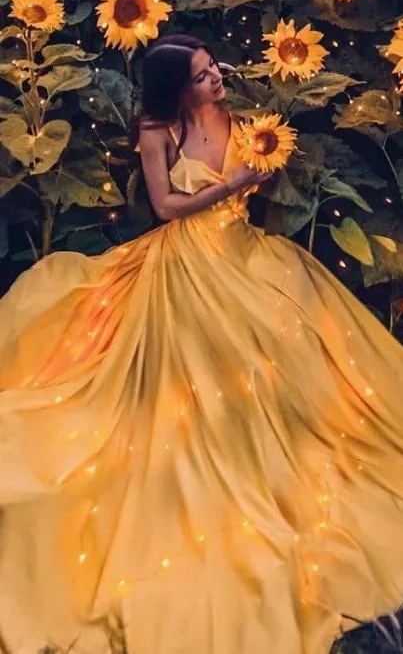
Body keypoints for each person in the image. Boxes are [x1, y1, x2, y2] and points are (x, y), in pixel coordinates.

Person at [0, 33, 402, 654]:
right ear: (176, 90)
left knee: (291, 335)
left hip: (244, 250)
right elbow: (166, 206)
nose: (216, 77)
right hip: (186, 255)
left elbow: (257, 181)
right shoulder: (158, 130)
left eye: (213, 67)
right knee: (190, 364)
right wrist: (234, 182)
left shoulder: (238, 114)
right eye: (202, 75)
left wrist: (261, 173)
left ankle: (292, 443)